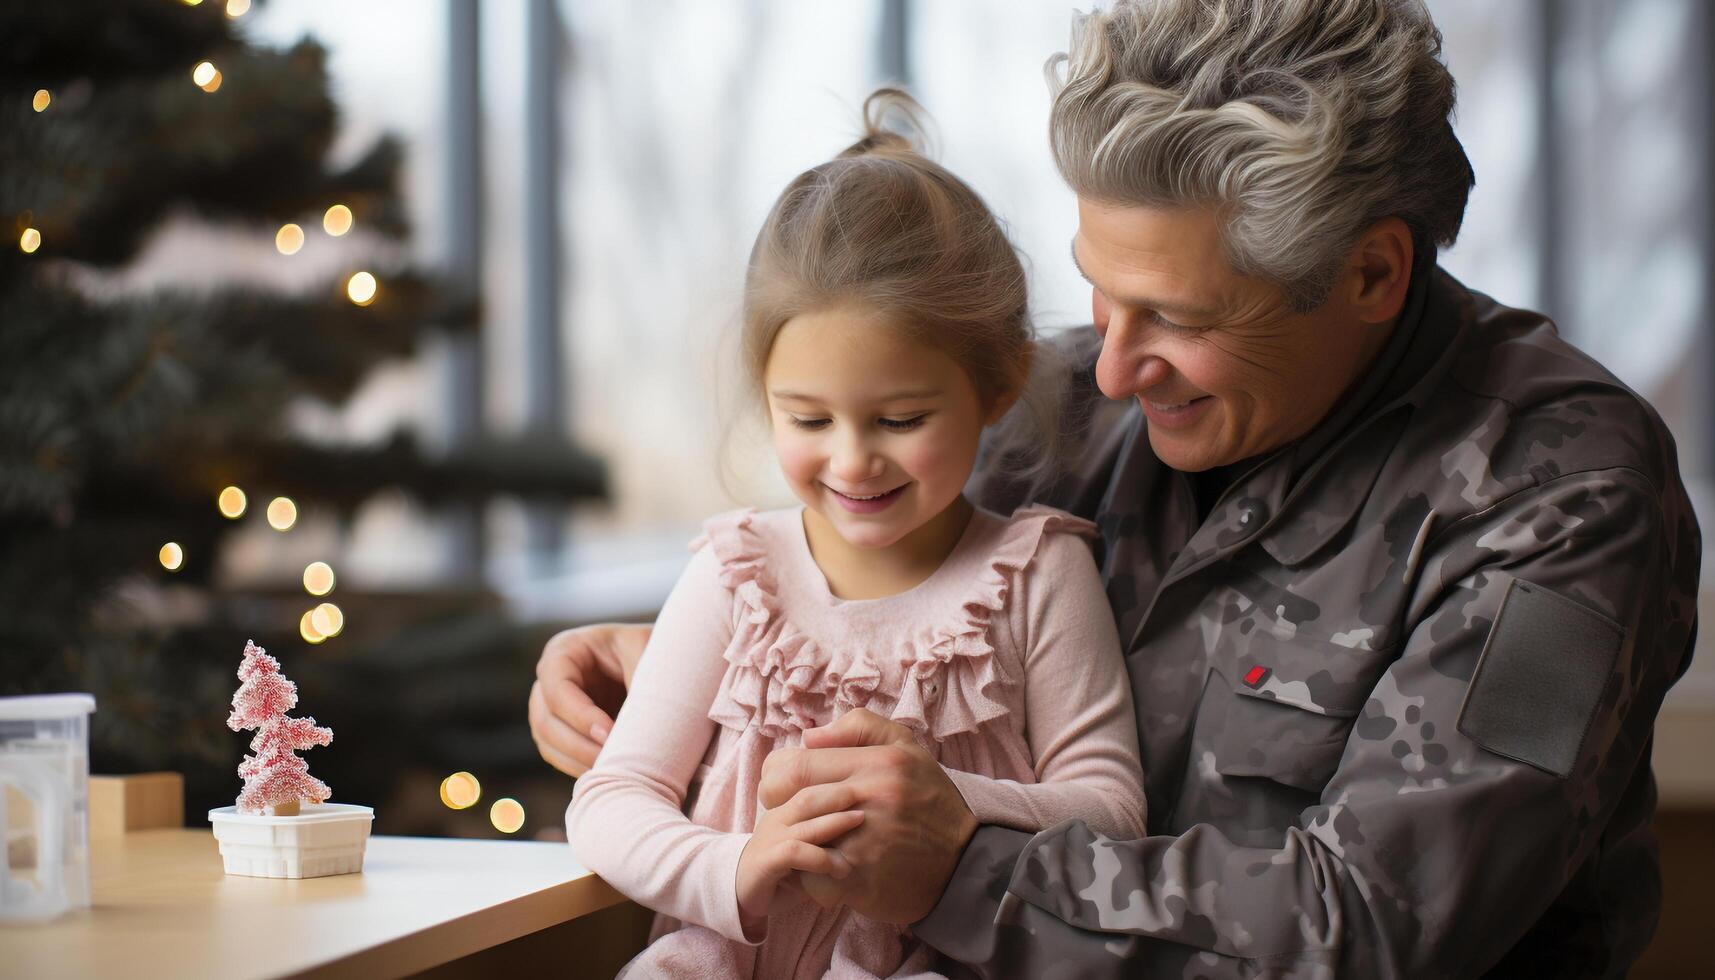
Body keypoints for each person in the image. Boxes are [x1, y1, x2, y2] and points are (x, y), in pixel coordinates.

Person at [535, 2, 1702, 976]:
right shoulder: (1058, 416)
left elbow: (1379, 925)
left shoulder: (1561, 499)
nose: (1105, 366)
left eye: (1180, 320)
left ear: (1370, 271)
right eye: (1102, 289)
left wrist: (955, 865)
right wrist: (707, 652)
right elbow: (913, 612)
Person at [564, 90, 1147, 979]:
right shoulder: (736, 576)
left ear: (998, 383)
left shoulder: (1037, 573)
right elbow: (614, 797)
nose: (853, 462)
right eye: (806, 419)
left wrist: (945, 804)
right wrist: (734, 868)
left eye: (900, 418)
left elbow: (1112, 811)